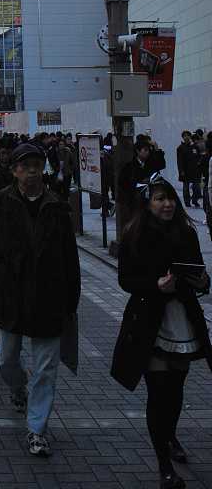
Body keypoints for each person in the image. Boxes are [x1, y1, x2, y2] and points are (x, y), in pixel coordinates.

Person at [0, 142, 80, 458]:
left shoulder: (56, 205)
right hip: (11, 295)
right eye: (25, 166)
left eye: (36, 165)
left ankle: (37, 430)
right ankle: (18, 388)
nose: (31, 171)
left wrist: (71, 297)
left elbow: (70, 256)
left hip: (49, 296)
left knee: (46, 369)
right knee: (7, 360)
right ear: (14, 170)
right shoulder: (1, 203)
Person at [111, 174, 212, 489]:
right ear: (148, 203)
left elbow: (199, 272)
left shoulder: (187, 232)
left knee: (176, 388)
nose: (167, 204)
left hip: (182, 318)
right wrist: (154, 285)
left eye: (170, 198)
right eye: (159, 199)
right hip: (148, 320)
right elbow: (126, 280)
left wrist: (201, 281)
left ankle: (169, 435)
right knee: (157, 391)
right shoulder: (134, 235)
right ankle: (164, 464)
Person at [176, 131, 201, 209]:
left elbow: (199, 157)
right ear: (182, 137)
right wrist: (181, 171)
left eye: (187, 135)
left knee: (197, 187)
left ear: (190, 136)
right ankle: (187, 202)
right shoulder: (180, 148)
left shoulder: (195, 146)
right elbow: (179, 160)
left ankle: (195, 200)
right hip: (185, 171)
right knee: (186, 188)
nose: (186, 137)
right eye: (184, 136)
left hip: (195, 170)